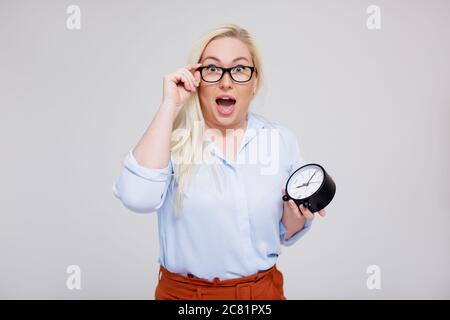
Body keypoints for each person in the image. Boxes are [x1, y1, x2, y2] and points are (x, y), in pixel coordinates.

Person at [112, 24, 326, 300]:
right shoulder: (172, 140)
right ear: (197, 79)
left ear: (254, 82)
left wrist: (296, 217)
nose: (226, 82)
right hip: (186, 298)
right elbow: (136, 197)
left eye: (239, 69)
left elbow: (284, 232)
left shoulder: (279, 140)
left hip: (262, 295)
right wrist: (170, 105)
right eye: (213, 69)